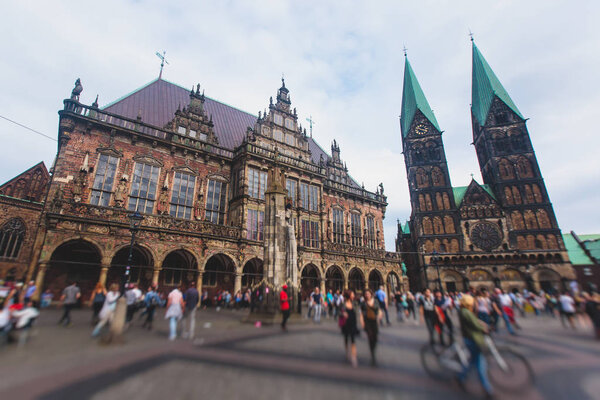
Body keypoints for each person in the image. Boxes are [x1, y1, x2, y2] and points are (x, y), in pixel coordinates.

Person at [456, 294, 493, 398]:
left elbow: (474, 320)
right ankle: (487, 389)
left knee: (472, 361)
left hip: (470, 339)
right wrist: (484, 328)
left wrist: (482, 323)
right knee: (480, 364)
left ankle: (461, 377)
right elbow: (475, 324)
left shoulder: (465, 311)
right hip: (473, 339)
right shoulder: (465, 312)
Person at [361, 288, 382, 366]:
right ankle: (372, 353)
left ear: (371, 294)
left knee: (375, 337)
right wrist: (362, 322)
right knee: (370, 337)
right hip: (367, 321)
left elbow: (379, 310)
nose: (367, 295)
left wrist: (379, 317)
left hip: (374, 321)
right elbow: (361, 313)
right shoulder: (363, 303)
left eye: (368, 294)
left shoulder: (375, 301)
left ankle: (373, 349)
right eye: (366, 294)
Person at [339, 289, 359, 367]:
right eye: (352, 294)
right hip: (346, 324)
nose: (353, 295)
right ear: (349, 295)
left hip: (353, 323)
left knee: (353, 340)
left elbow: (357, 311)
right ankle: (347, 352)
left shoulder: (355, 303)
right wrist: (343, 313)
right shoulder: (343, 304)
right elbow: (339, 311)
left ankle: (354, 357)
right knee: (346, 338)